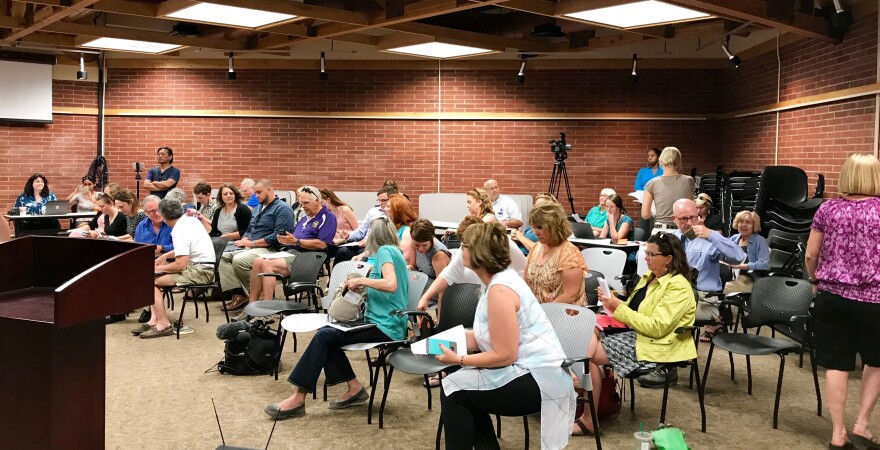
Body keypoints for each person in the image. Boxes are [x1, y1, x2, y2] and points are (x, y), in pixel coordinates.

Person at [435, 222, 574, 450]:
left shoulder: (500, 291)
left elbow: (504, 355)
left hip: (539, 379)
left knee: (454, 389)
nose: (460, 250)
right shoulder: (498, 280)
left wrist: (458, 360)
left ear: (479, 253)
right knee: (461, 387)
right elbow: (484, 336)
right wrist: (436, 344)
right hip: (530, 370)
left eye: (465, 246)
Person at [264, 216, 408, 419]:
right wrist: (360, 283)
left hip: (386, 326)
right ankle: (354, 388)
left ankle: (298, 398)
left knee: (325, 337)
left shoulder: (385, 251)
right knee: (327, 336)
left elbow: (390, 284)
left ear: (374, 237)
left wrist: (364, 282)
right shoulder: (393, 253)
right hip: (380, 321)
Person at [577, 232, 696, 434]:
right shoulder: (649, 278)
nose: (646, 259)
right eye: (646, 253)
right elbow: (635, 310)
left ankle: (587, 412)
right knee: (584, 332)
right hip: (636, 334)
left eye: (652, 254)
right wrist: (612, 301)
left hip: (658, 344)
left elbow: (657, 327)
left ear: (668, 258)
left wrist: (619, 308)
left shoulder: (678, 287)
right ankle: (592, 405)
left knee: (586, 355)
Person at [805, 153, 880, 450]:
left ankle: (838, 433)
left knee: (837, 364)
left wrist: (814, 279)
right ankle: (862, 424)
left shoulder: (828, 208)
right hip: (876, 300)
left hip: (833, 297)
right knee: (875, 362)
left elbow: (811, 254)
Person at [240, 186, 336, 317]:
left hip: (310, 258)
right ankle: (251, 308)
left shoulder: (327, 217)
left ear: (318, 201)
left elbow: (322, 244)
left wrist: (296, 242)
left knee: (267, 264)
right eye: (302, 203)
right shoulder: (304, 218)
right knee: (258, 261)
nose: (303, 206)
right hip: (292, 253)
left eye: (306, 203)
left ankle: (267, 312)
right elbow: (294, 238)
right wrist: (286, 240)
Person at [132, 198, 215, 339]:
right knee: (151, 277)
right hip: (203, 268)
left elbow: (180, 265)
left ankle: (163, 325)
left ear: (163, 215)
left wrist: (155, 268)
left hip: (200, 272)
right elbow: (190, 247)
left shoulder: (178, 231)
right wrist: (166, 256)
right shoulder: (190, 220)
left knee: (149, 281)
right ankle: (154, 320)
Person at [669, 198, 744, 351]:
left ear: (699, 215)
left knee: (668, 313)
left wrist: (712, 234)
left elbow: (738, 256)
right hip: (675, 294)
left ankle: (673, 358)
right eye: (684, 219)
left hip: (704, 298)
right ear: (674, 219)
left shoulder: (709, 239)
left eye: (693, 217)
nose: (689, 223)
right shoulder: (671, 239)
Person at [417, 215, 528, 316]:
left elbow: (524, 271)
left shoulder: (500, 287)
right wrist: (425, 298)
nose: (461, 248)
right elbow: (446, 275)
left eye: (465, 245)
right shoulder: (467, 251)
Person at [219, 179, 294, 311]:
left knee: (239, 260)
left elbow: (278, 236)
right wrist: (245, 239)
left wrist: (252, 243)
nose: (256, 196)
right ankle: (242, 293)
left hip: (269, 249)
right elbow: (250, 228)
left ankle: (252, 295)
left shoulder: (283, 209)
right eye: (255, 193)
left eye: (259, 192)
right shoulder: (258, 207)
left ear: (269, 189)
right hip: (251, 246)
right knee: (222, 257)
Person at [524, 203, 588, 306]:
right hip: (537, 312)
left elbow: (570, 295)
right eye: (534, 227)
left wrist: (542, 313)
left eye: (540, 227)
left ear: (554, 227)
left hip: (562, 314)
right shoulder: (536, 248)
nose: (536, 232)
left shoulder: (569, 253)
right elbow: (525, 283)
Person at [334, 185, 395, 262]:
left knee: (361, 256)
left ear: (392, 200)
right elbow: (361, 232)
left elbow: (388, 237)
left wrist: (370, 241)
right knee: (342, 252)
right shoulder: (373, 211)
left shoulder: (393, 215)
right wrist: (348, 235)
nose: (380, 203)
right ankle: (338, 274)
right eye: (379, 200)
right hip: (362, 244)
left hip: (375, 246)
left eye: (383, 200)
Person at [642, 147, 695, 233]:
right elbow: (692, 207)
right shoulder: (689, 180)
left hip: (661, 231)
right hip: (684, 230)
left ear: (660, 161)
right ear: (678, 162)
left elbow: (645, 215)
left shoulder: (651, 183)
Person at [409, 219, 451, 302]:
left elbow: (442, 289)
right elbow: (413, 266)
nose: (420, 249)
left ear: (432, 239)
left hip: (444, 289)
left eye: (424, 245)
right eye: (417, 245)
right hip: (425, 280)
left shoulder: (439, 255)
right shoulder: (413, 243)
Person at [381, 193, 417, 266]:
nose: (384, 209)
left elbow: (404, 259)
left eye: (388, 206)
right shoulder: (390, 227)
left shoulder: (407, 232)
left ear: (397, 211)